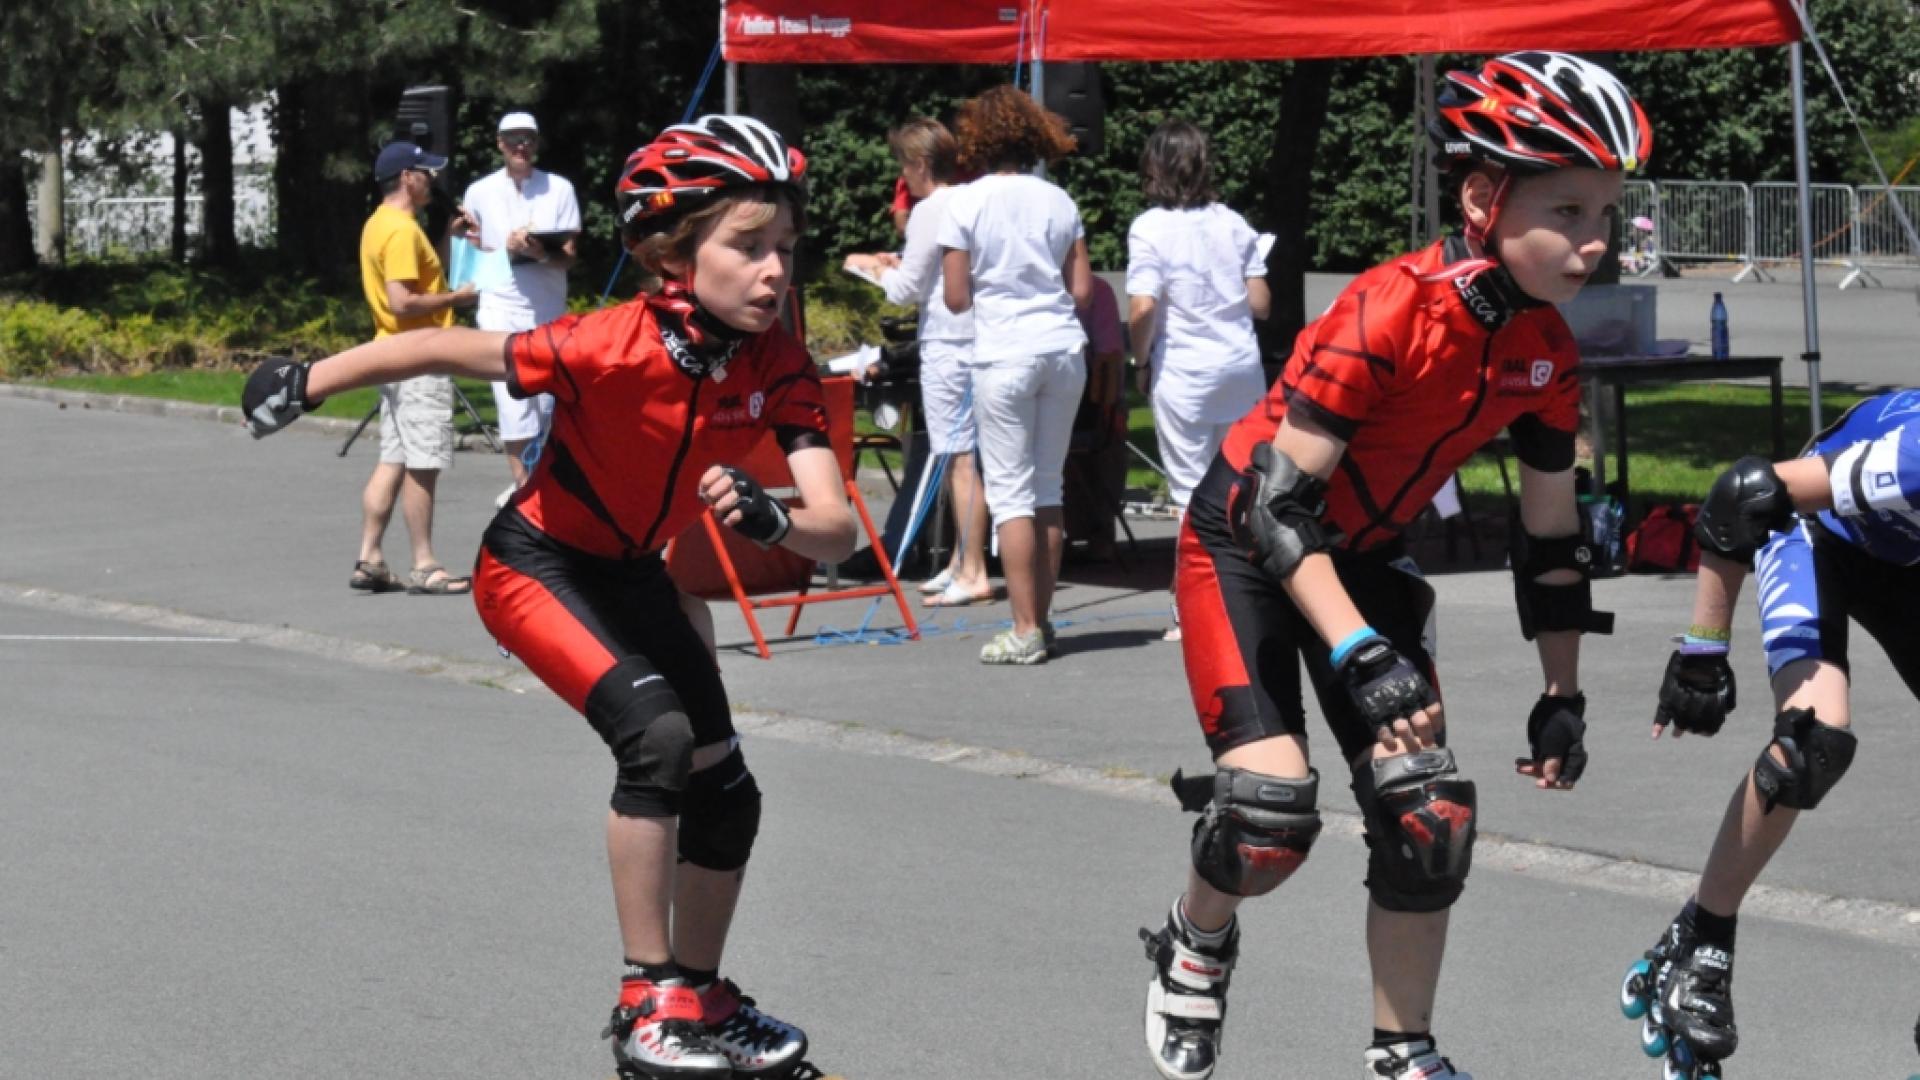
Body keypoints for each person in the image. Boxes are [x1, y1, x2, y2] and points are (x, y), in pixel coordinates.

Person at [244, 115, 855, 1079]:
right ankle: (646, 999)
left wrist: (774, 520)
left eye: (786, 244)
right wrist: (304, 380)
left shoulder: (777, 363)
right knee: (657, 740)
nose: (776, 270)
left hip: (634, 574)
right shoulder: (605, 344)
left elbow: (837, 528)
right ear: (673, 253)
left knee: (728, 792)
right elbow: (435, 348)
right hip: (535, 566)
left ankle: (701, 997)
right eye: (749, 246)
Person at [1136, 52, 1647, 1080]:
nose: (1593, 240)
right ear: (1481, 198)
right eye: (1566, 210)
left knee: (1428, 815)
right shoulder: (1389, 308)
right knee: (1267, 816)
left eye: (1605, 212)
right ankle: (1196, 936)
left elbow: (1551, 540)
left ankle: (1404, 1052)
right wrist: (1362, 651)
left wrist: (1562, 694)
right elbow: (1277, 509)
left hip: (1363, 557)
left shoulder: (1546, 350)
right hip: (1245, 544)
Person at [1622, 388, 1920, 1077]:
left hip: (1907, 563)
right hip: (1818, 530)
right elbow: (1745, 494)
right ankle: (1701, 938)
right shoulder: (1912, 458)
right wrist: (1703, 650)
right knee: (1812, 744)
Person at [938, 84, 1093, 665]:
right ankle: (1041, 622)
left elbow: (956, 297)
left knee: (1010, 496)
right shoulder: (1059, 200)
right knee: (1048, 488)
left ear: (978, 138)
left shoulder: (964, 202)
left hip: (1004, 352)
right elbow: (1082, 289)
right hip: (1062, 348)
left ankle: (1024, 629)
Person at [1125, 119, 1271, 641]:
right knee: (1241, 486)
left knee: (1190, 493)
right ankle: (1249, 598)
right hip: (1239, 365)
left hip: (1185, 370)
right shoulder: (1234, 222)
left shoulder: (1149, 227)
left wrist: (1140, 360)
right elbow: (1261, 302)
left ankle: (1192, 607)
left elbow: (1143, 307)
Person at [845, 117, 990, 608]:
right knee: (962, 458)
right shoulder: (974, 199)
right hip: (980, 338)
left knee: (958, 458)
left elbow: (907, 290)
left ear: (922, 164)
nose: (903, 176)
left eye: (905, 166)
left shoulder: (931, 208)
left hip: (949, 342)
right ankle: (961, 559)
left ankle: (972, 568)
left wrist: (869, 268)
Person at [354, 139, 478, 596]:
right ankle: (425, 564)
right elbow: (402, 301)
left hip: (391, 354)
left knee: (394, 457)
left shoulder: (379, 224)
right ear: (407, 177)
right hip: (420, 355)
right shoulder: (402, 231)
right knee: (424, 463)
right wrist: (457, 299)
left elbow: (422, 279)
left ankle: (370, 556)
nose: (432, 179)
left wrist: (449, 237)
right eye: (426, 172)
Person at [456, 111, 581, 506]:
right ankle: (524, 485)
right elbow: (469, 260)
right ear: (500, 144)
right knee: (512, 399)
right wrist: (505, 251)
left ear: (537, 143)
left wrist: (540, 252)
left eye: (528, 139)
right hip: (499, 305)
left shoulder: (558, 189)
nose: (521, 146)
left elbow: (570, 256)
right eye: (513, 139)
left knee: (546, 401)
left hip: (546, 306)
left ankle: (543, 481)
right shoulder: (479, 192)